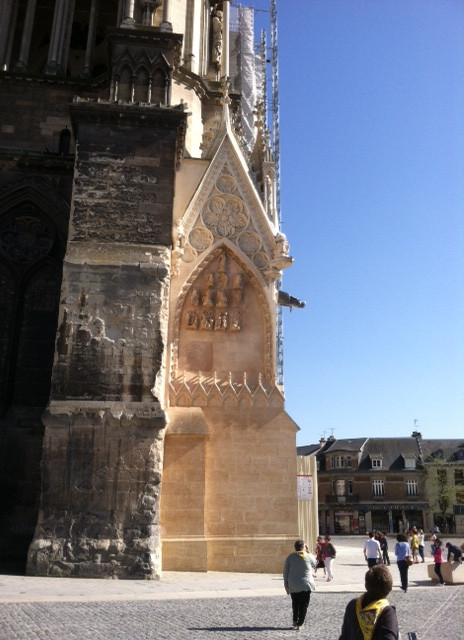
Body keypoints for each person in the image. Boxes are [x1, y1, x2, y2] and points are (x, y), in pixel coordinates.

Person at [338, 564, 400, 640]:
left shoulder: (353, 605)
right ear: (389, 588)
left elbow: (344, 636)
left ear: (366, 585)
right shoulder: (386, 612)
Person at [283, 539, 316, 630]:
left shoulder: (290, 557)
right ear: (303, 547)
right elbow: (315, 563)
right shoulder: (308, 556)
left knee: (295, 603)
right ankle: (300, 623)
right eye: (305, 546)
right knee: (303, 604)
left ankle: (294, 620)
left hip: (293, 584)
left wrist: (286, 586)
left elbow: (285, 573)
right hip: (306, 584)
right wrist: (309, 552)